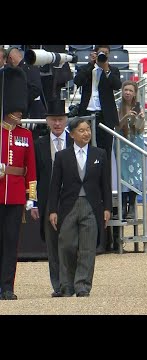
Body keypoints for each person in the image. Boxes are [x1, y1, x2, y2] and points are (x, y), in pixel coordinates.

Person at [48, 117, 112, 297]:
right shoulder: (62, 156)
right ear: (72, 134)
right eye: (82, 130)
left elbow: (105, 184)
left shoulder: (100, 154)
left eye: (88, 130)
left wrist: (107, 208)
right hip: (68, 206)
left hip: (91, 206)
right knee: (66, 245)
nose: (86, 133)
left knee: (88, 247)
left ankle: (82, 285)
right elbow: (55, 185)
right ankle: (66, 285)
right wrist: (53, 209)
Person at [0, 66, 37, 300]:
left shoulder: (26, 135)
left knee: (11, 244)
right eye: (16, 110)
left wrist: (31, 198)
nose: (20, 114)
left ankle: (7, 287)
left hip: (15, 197)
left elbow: (30, 170)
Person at [31, 99, 72, 297]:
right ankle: (58, 285)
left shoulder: (74, 141)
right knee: (53, 245)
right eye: (54, 120)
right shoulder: (38, 144)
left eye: (60, 119)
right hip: (48, 201)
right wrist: (33, 202)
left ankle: (71, 282)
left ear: (66, 121)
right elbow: (33, 175)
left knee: (71, 243)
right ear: (47, 121)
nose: (57, 124)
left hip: (71, 200)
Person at [73, 45, 122, 168]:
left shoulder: (113, 70)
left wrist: (106, 69)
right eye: (101, 53)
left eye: (105, 53)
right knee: (84, 149)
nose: (103, 55)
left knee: (105, 151)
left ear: (109, 55)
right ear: (95, 53)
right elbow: (77, 81)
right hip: (86, 115)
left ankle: (105, 184)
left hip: (105, 116)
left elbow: (117, 85)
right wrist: (91, 64)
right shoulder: (86, 68)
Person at [114, 80, 145, 219]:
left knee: (135, 174)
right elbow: (116, 127)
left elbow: (139, 129)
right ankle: (122, 206)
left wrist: (139, 119)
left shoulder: (138, 106)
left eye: (130, 91)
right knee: (123, 173)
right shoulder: (117, 106)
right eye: (126, 90)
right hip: (121, 142)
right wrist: (126, 116)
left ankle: (132, 206)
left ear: (135, 93)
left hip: (135, 142)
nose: (127, 92)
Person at [6, 46, 48, 139]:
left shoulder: (29, 67)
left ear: (10, 59)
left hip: (32, 112)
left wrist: (20, 101)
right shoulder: (23, 68)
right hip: (27, 112)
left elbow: (36, 89)